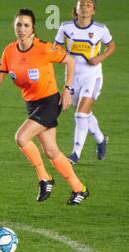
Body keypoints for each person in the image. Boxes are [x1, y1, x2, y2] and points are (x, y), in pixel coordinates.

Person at [0, 8, 89, 205]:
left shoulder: (43, 48)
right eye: (19, 24)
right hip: (31, 104)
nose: (22, 29)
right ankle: (79, 189)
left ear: (33, 28)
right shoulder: (9, 51)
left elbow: (69, 61)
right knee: (51, 151)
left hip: (50, 102)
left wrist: (67, 89)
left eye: (26, 25)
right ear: (14, 27)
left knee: (21, 137)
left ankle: (44, 178)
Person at [55, 0, 116, 164]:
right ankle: (101, 139)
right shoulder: (65, 27)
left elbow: (111, 46)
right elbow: (56, 48)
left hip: (92, 77)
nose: (84, 8)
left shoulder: (100, 29)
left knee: (80, 114)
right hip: (72, 78)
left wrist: (98, 58)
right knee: (85, 114)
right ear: (75, 9)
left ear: (93, 11)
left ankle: (75, 154)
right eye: (81, 4)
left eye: (88, 5)